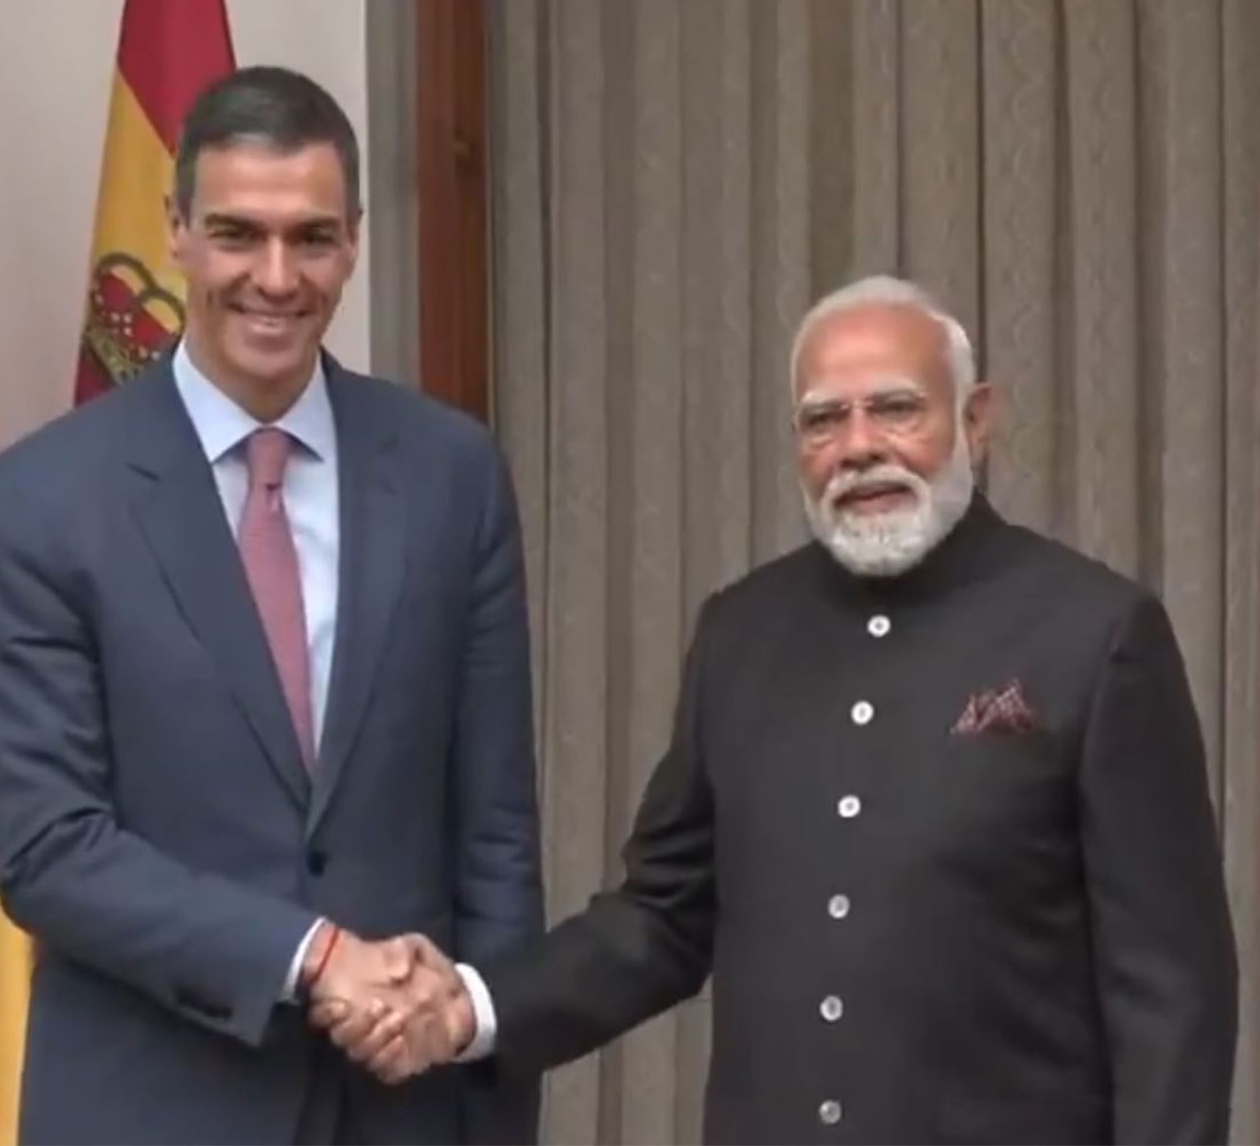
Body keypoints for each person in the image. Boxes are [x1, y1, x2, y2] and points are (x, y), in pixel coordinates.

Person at [325, 275, 1240, 1144]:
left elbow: (1170, 989)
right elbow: (661, 918)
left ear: (977, 420)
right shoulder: (742, 632)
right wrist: (472, 1007)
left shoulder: (1096, 633)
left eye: (896, 408)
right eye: (822, 421)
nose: (858, 446)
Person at [0, 65, 543, 1145]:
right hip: (151, 1107)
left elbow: (495, 830)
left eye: (311, 238)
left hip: (405, 1112)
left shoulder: (452, 473)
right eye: (237, 234)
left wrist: (482, 1063)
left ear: (355, 240)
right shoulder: (38, 503)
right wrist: (312, 955)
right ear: (175, 230)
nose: (276, 277)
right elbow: (49, 848)